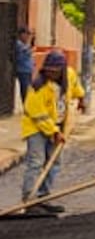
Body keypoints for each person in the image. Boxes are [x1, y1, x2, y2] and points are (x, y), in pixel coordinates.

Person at [18, 50, 83, 212]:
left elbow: (76, 88)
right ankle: (29, 200)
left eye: (54, 71)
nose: (51, 74)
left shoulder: (69, 75)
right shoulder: (38, 87)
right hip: (36, 128)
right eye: (48, 70)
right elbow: (37, 115)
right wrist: (54, 131)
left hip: (58, 126)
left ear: (62, 70)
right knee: (36, 162)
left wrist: (81, 98)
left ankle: (44, 197)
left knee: (53, 163)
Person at [13, 27, 34, 105]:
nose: (28, 36)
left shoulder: (24, 44)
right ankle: (25, 104)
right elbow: (26, 52)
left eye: (29, 34)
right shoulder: (18, 44)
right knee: (25, 89)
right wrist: (30, 46)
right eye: (27, 34)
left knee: (28, 89)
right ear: (21, 34)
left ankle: (28, 104)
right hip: (23, 70)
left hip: (28, 70)